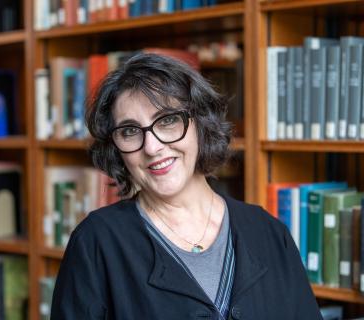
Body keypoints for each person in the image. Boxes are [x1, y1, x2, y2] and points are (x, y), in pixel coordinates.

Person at [51, 53, 322, 319]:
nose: (152, 147)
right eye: (130, 131)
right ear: (116, 148)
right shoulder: (96, 243)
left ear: (201, 123)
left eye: (168, 120)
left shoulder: (268, 232)